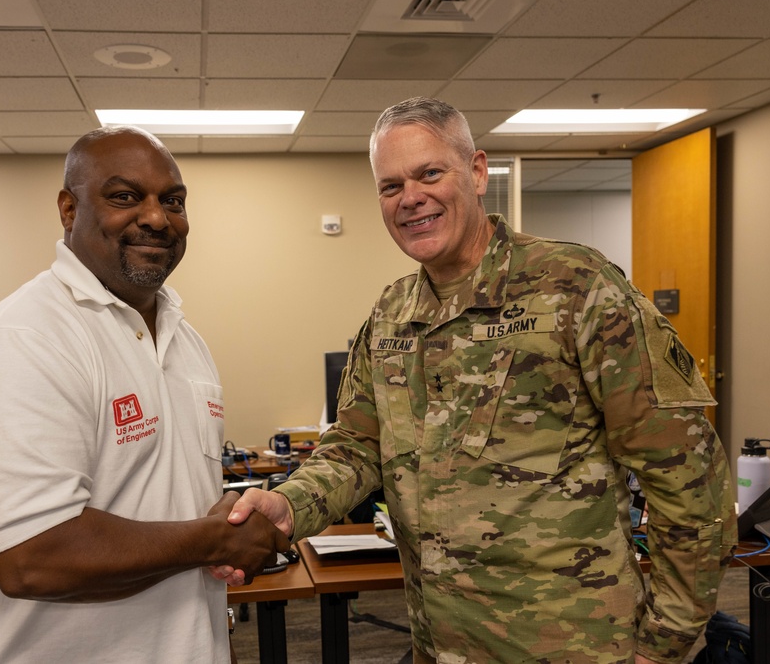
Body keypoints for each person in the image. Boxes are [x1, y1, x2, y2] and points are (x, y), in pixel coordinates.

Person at [226, 98, 737, 664]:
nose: (410, 197)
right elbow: (355, 447)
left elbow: (690, 480)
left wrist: (664, 646)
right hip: (441, 645)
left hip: (573, 647)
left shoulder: (576, 289)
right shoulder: (392, 312)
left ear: (475, 172)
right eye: (390, 185)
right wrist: (290, 505)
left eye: (429, 173)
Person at [0, 126, 288, 664]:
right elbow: (34, 558)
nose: (156, 217)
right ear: (67, 208)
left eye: (173, 201)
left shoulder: (183, 337)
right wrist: (214, 538)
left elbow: (172, 503)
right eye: (124, 196)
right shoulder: (24, 338)